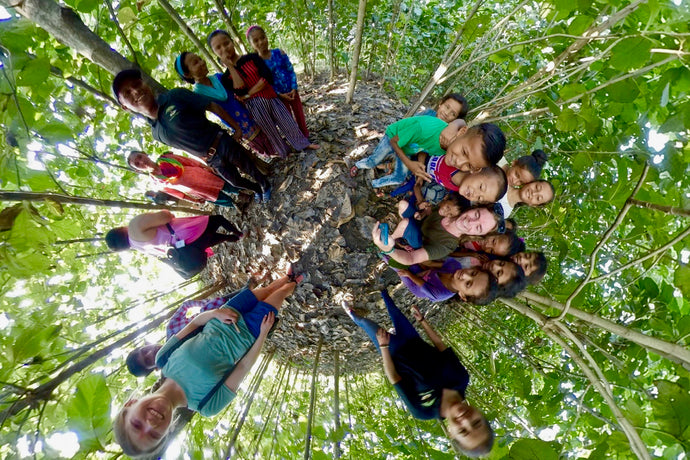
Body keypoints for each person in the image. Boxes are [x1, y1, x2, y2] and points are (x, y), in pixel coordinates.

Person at [113, 269, 301, 456]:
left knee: (268, 289)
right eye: (154, 435)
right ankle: (296, 281)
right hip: (250, 332)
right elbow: (243, 367)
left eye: (137, 424)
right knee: (282, 293)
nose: (151, 423)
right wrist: (262, 334)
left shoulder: (163, 358)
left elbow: (194, 324)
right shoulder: (206, 406)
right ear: (167, 432)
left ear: (130, 404)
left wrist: (215, 314)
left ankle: (287, 276)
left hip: (227, 312)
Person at [345, 290, 494, 455]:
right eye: (476, 423)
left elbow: (395, 378)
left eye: (463, 431)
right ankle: (380, 287)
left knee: (364, 322)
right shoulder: (461, 378)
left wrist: (383, 347)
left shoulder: (423, 411)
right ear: (482, 415)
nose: (466, 420)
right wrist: (422, 320)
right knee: (391, 306)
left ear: (451, 433)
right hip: (412, 338)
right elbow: (441, 347)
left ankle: (349, 311)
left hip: (393, 350)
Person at [111, 68, 272, 203]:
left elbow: (211, 105)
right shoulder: (156, 133)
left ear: (144, 84)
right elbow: (185, 146)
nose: (135, 91)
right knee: (235, 181)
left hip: (221, 141)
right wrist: (204, 161)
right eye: (127, 92)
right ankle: (257, 189)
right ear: (125, 107)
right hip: (211, 158)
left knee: (249, 168)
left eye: (137, 84)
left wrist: (236, 128)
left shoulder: (175, 96)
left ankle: (265, 185)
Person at [208, 30, 318, 158]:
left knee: (287, 122)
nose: (224, 49)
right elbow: (240, 90)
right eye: (218, 48)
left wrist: (248, 95)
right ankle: (284, 152)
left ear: (232, 42)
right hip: (255, 109)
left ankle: (303, 144)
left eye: (226, 43)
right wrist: (231, 67)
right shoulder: (226, 78)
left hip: (271, 98)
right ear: (214, 52)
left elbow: (267, 78)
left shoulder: (253, 58)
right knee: (270, 131)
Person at [174, 52, 275, 159]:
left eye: (200, 58)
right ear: (187, 74)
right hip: (237, 123)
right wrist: (236, 128)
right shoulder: (198, 95)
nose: (202, 62)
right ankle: (271, 156)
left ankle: (277, 150)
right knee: (260, 144)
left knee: (269, 133)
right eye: (195, 62)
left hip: (252, 112)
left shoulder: (219, 77)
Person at [126, 293, 239, 377]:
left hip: (224, 304)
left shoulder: (171, 328)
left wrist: (207, 305)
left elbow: (186, 305)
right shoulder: (180, 366)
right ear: (155, 368)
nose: (150, 353)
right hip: (234, 334)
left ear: (147, 344)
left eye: (145, 351)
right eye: (148, 361)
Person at [373, 204, 505, 266]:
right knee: (403, 205)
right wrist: (423, 210)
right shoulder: (453, 209)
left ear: (477, 236)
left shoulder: (447, 246)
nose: (471, 221)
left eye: (478, 227)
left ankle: (391, 241)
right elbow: (432, 210)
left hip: (419, 240)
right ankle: (400, 236)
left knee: (405, 224)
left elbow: (411, 259)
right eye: (476, 214)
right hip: (421, 223)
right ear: (473, 208)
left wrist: (389, 250)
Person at [246, 25, 310, 137]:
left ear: (266, 37)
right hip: (278, 97)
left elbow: (290, 70)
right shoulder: (256, 63)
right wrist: (279, 94)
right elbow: (266, 83)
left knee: (299, 114)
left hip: (292, 90)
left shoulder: (279, 53)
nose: (261, 42)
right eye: (256, 40)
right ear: (251, 44)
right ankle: (297, 138)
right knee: (287, 119)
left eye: (263, 38)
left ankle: (306, 136)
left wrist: (294, 87)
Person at [351, 115, 449, 188]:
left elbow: (424, 149)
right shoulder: (425, 127)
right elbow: (394, 142)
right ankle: (358, 165)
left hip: (407, 150)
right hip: (393, 136)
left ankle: (373, 184)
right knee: (372, 162)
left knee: (399, 178)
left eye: (453, 114)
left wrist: (419, 166)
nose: (447, 114)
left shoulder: (444, 150)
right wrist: (409, 163)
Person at [105, 211, 243, 258]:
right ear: (119, 230)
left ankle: (233, 238)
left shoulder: (139, 248)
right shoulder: (134, 227)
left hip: (187, 246)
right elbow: (165, 217)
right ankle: (239, 233)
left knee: (216, 238)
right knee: (218, 219)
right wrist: (167, 212)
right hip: (188, 231)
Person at [128, 151, 239, 208]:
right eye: (137, 164)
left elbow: (188, 161)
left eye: (140, 157)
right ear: (138, 170)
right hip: (197, 191)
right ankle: (237, 205)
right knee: (219, 198)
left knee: (226, 185)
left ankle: (243, 193)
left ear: (144, 154)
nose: (142, 162)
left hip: (204, 176)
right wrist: (194, 201)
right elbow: (177, 193)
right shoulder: (156, 183)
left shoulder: (166, 158)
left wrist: (206, 167)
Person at [397, 262, 498, 304]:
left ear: (462, 295)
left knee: (397, 265)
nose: (465, 275)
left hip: (416, 284)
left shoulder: (440, 294)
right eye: (473, 273)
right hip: (424, 272)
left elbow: (421, 283)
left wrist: (409, 274)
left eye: (468, 284)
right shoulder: (455, 266)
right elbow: (433, 266)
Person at [458, 230, 525, 257]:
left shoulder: (474, 252)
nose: (487, 246)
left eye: (491, 251)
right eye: (493, 241)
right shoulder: (477, 226)